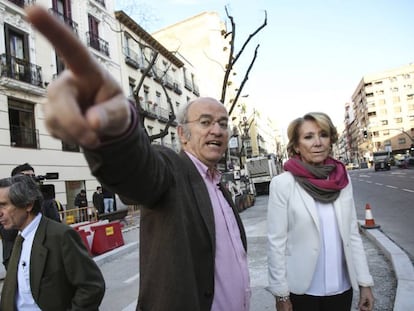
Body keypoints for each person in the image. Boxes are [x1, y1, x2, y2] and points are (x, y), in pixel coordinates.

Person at [25, 6, 250, 310]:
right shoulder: (172, 170)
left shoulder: (220, 184)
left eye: (223, 123)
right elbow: (139, 171)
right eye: (206, 122)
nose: (218, 130)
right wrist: (114, 126)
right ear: (182, 134)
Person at [267, 112, 374, 311]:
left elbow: (352, 234)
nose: (317, 142)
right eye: (308, 137)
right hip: (303, 291)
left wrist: (365, 283)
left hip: (342, 288)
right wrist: (281, 294)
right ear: (297, 146)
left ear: (330, 140)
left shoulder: (342, 179)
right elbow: (276, 242)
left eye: (323, 135)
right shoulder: (283, 184)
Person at [0, 174, 105, 310]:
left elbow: (92, 286)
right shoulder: (18, 239)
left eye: (3, 205)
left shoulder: (61, 236)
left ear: (28, 204)